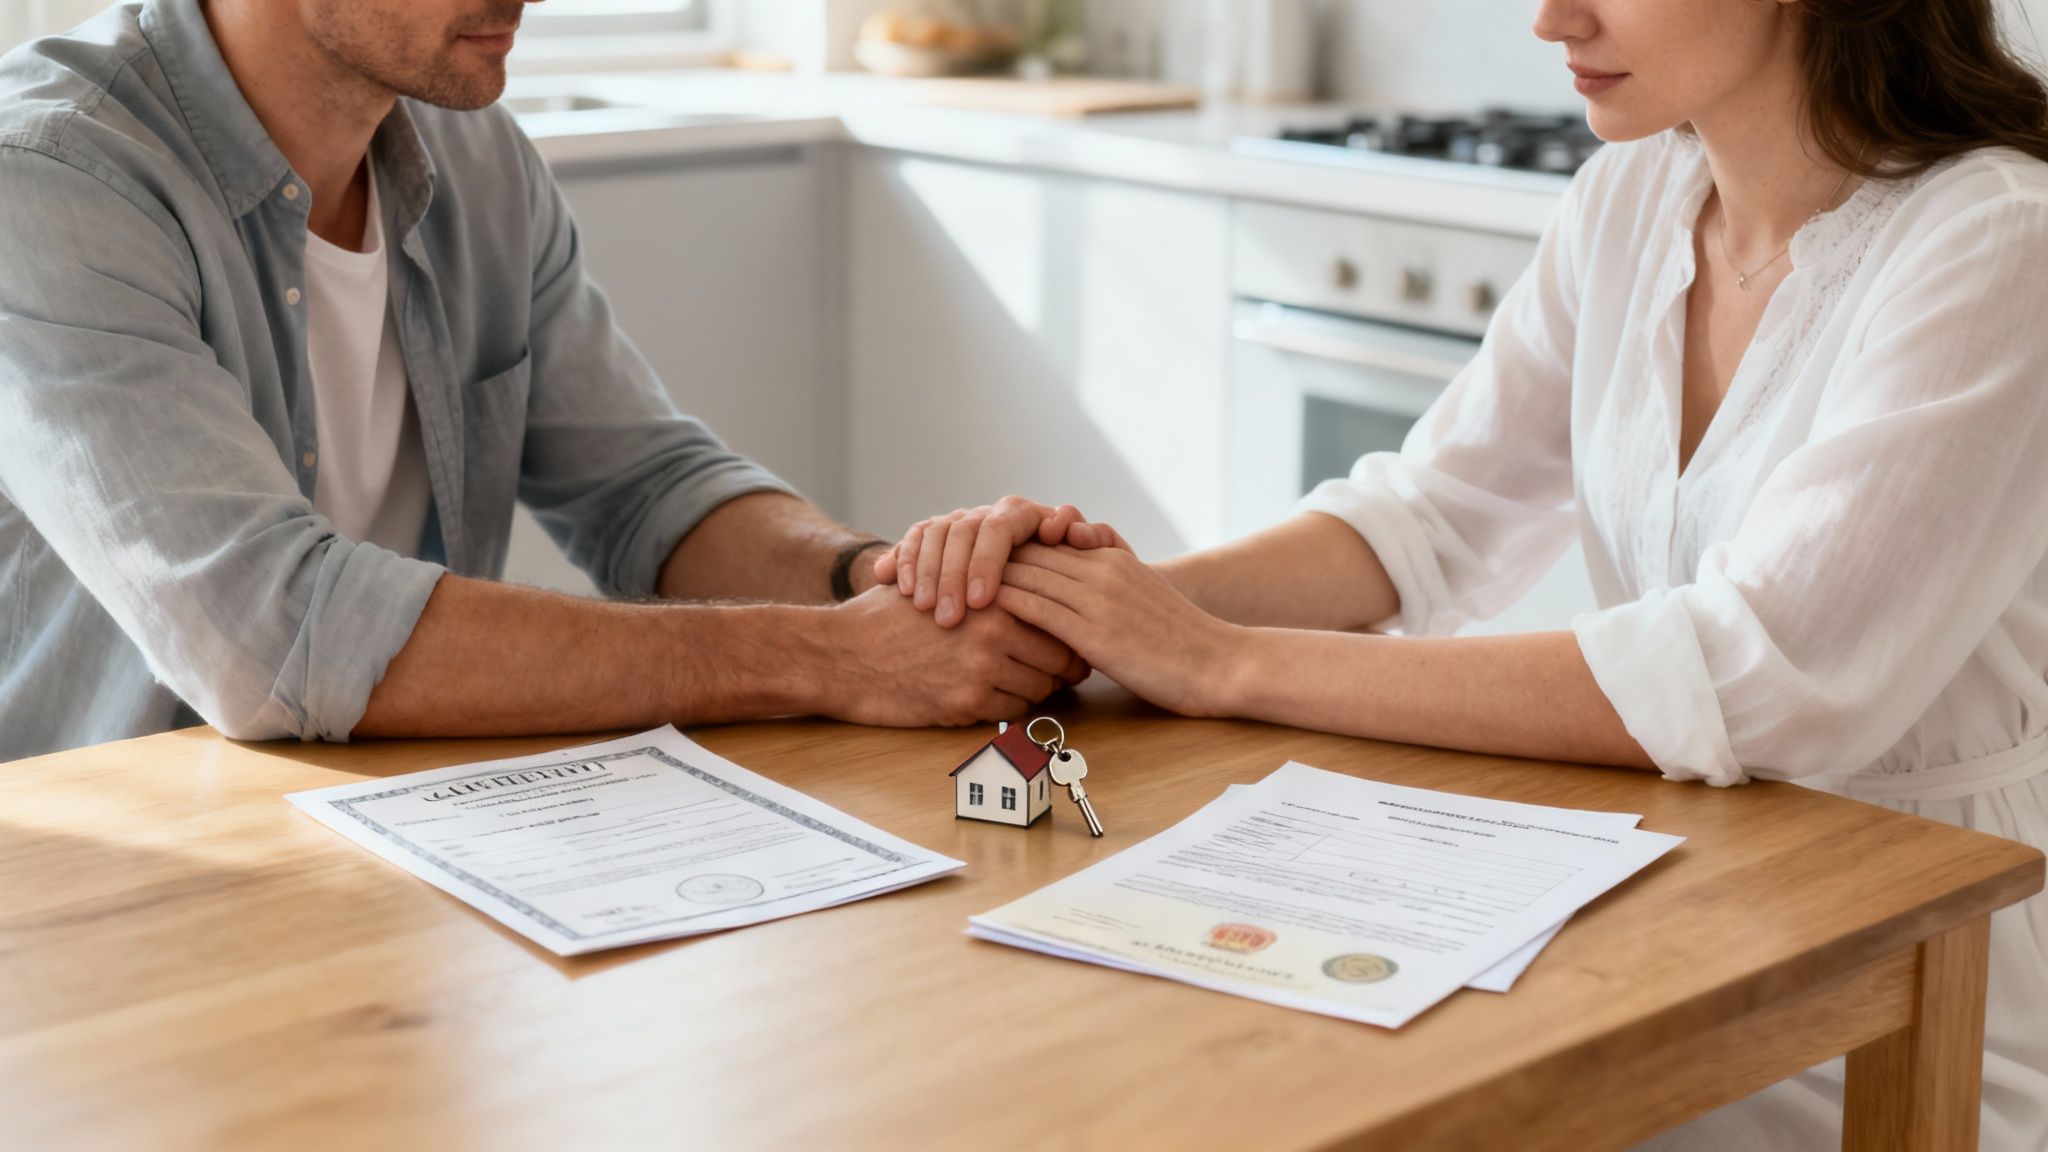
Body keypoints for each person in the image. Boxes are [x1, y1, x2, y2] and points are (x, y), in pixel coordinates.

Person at [877, 0, 2048, 1145]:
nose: (1550, 23)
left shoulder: (1998, 240)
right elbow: (1425, 516)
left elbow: (1754, 677)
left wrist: (1218, 661)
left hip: (1926, 963)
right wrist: (1077, 603)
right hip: (1704, 887)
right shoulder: (1633, 198)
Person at [0, 0, 1087, 764]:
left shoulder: (475, 158)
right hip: (117, 906)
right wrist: (831, 661)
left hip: (397, 850)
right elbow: (275, 635)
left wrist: (881, 585)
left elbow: (647, 490)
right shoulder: (47, 180)